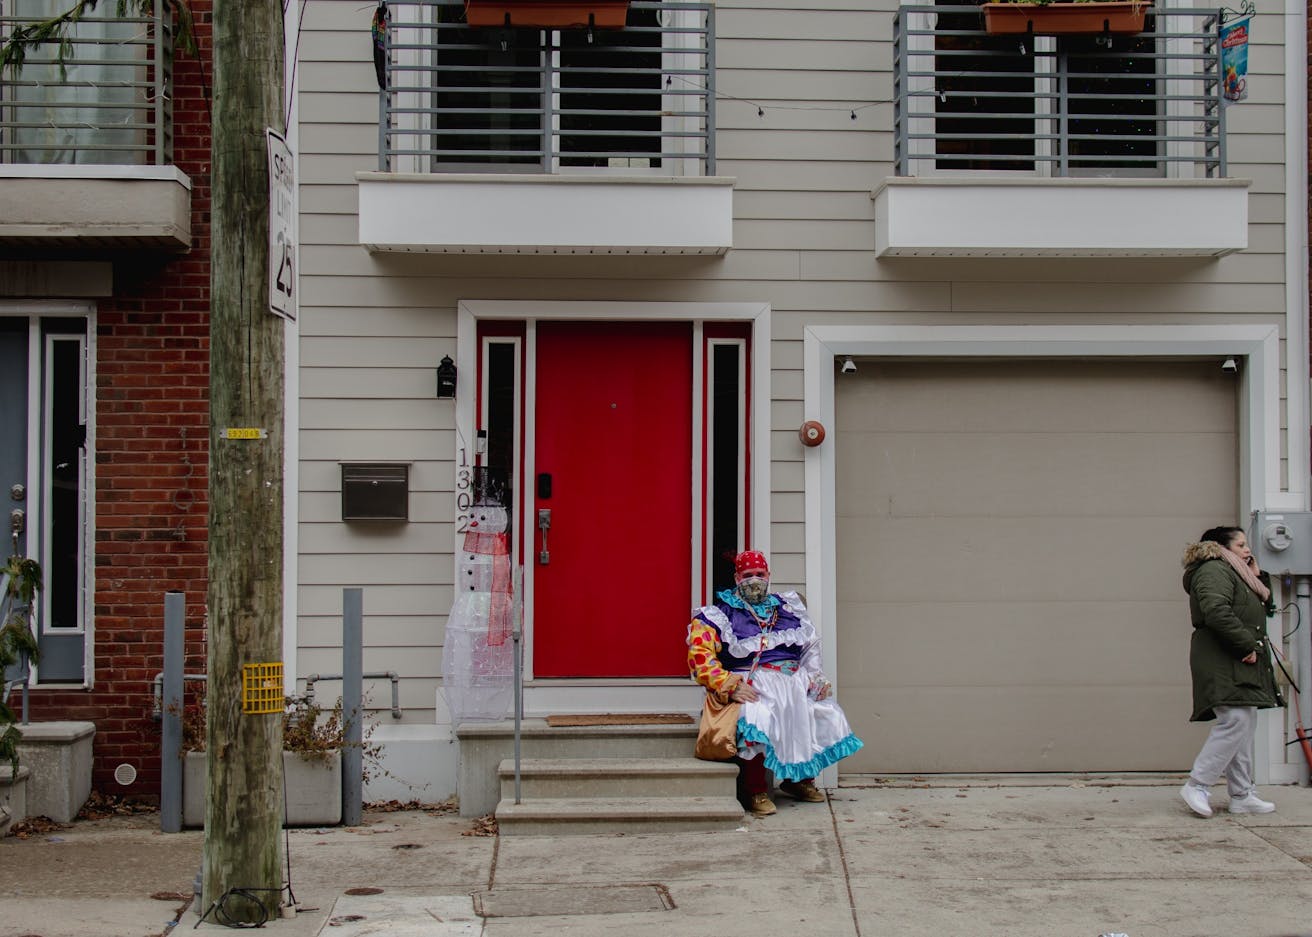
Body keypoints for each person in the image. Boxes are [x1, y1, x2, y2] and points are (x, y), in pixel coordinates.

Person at [686, 550, 863, 817]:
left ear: (769, 576)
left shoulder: (789, 608)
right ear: (736, 578)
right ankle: (755, 790)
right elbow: (700, 658)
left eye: (760, 575)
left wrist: (816, 678)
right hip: (752, 686)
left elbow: (810, 647)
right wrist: (729, 684)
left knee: (815, 714)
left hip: (793, 680)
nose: (754, 580)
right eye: (747, 576)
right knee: (758, 718)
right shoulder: (717, 615)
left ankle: (799, 782)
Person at [1179, 526, 1283, 817]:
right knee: (1236, 719)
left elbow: (1266, 607)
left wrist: (1258, 576)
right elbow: (1216, 610)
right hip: (1222, 656)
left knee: (1245, 721)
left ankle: (1241, 794)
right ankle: (1197, 784)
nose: (1247, 549)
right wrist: (1245, 645)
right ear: (1221, 547)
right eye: (1241, 544)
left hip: (1237, 656)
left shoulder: (1237, 573)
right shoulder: (1213, 569)